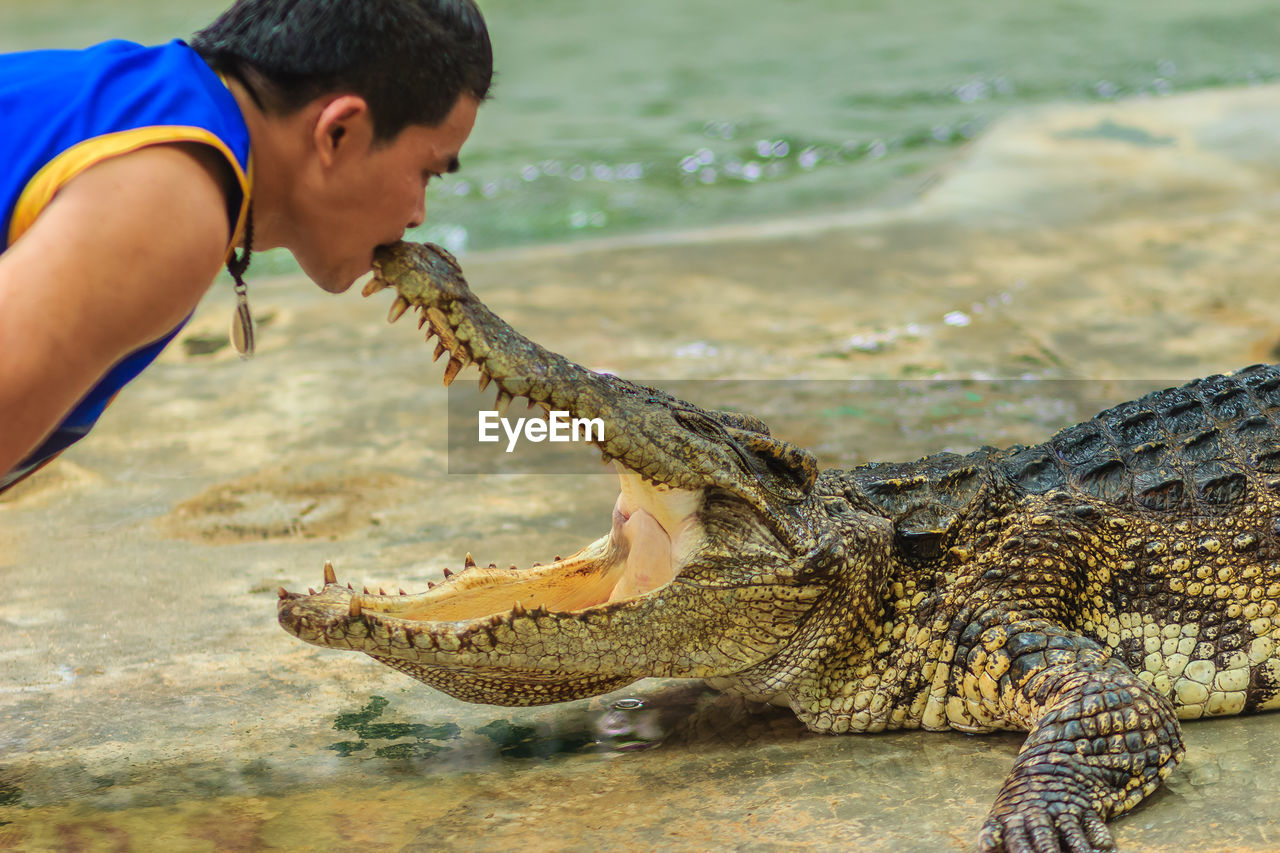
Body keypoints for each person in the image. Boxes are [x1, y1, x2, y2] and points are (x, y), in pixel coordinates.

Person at [0, 0, 492, 492]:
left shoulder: (154, 101)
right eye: (428, 172)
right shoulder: (174, 201)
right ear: (338, 132)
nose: (418, 215)